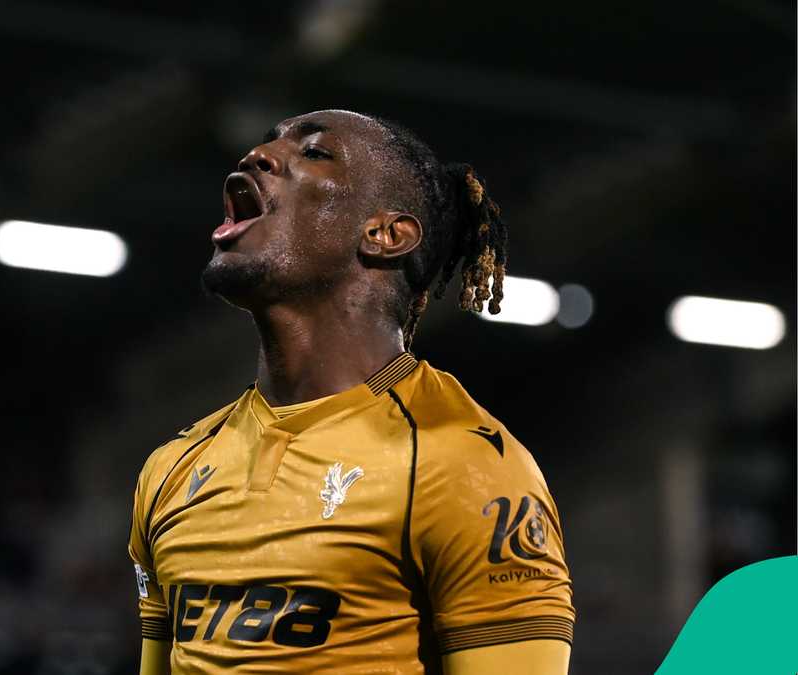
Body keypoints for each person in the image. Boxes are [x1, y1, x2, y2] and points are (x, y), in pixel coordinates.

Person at [128, 110, 574, 674]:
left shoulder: (462, 465)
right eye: (267, 144)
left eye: (314, 152)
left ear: (385, 235)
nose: (257, 156)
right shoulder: (171, 469)